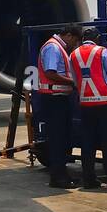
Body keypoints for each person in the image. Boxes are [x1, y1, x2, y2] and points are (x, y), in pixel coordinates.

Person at [69, 31, 107, 190]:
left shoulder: (73, 55)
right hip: (104, 103)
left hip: (85, 104)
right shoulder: (101, 52)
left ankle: (89, 179)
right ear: (97, 39)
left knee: (88, 143)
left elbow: (74, 79)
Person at [37, 25, 83, 188]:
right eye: (75, 41)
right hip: (54, 99)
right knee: (57, 139)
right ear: (69, 35)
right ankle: (58, 178)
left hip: (59, 98)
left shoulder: (58, 47)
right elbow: (50, 72)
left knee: (62, 138)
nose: (75, 45)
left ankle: (62, 174)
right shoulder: (53, 48)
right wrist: (73, 82)